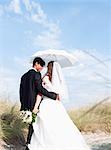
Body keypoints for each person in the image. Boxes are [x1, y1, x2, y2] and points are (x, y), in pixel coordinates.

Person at [28, 61, 91, 150]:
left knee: (46, 126)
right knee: (60, 125)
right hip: (57, 105)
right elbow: (57, 94)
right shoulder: (58, 82)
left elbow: (40, 93)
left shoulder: (45, 78)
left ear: (49, 68)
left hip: (47, 104)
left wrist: (35, 106)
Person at [19, 57, 59, 150]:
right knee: (34, 125)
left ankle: (28, 144)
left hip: (25, 105)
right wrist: (53, 96)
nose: (41, 68)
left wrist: (23, 105)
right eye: (41, 65)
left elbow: (21, 92)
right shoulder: (36, 74)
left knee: (31, 125)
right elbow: (40, 89)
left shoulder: (24, 76)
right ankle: (29, 145)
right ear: (36, 63)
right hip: (34, 104)